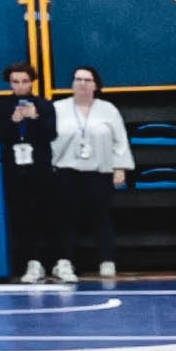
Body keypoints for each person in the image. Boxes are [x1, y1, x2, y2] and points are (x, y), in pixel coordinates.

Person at [49, 67, 132, 282]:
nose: (83, 84)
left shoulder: (108, 110)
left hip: (98, 171)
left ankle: (107, 261)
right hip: (66, 171)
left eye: (87, 80)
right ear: (72, 83)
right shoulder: (57, 108)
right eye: (78, 79)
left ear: (96, 85)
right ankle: (64, 261)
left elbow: (119, 140)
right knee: (66, 218)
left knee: (102, 217)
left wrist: (120, 167)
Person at [0, 67, 60, 280]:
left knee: (47, 215)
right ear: (10, 83)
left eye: (24, 81)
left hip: (40, 169)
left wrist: (36, 118)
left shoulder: (44, 105)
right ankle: (31, 262)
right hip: (15, 170)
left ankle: (55, 261)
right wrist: (12, 123)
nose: (20, 86)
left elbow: (51, 134)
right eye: (15, 81)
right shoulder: (1, 107)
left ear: (32, 82)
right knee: (22, 217)